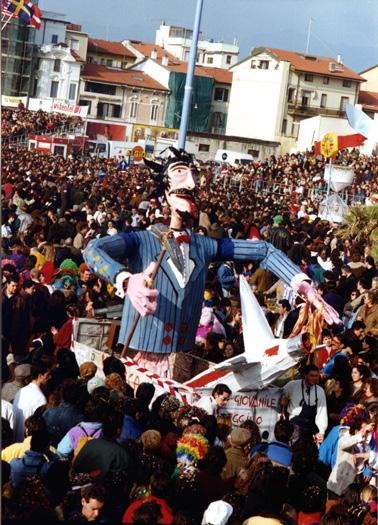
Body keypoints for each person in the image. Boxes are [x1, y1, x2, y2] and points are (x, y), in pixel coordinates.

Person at [83, 148, 339, 376]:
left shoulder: (205, 246)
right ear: (164, 190)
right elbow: (92, 250)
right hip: (139, 358)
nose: (192, 184)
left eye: (194, 176)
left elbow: (263, 250)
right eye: (181, 173)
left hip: (181, 361)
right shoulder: (140, 240)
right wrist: (126, 279)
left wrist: (304, 285)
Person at [281, 364, 328, 443]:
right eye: (311, 375)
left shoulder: (320, 391)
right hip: (293, 426)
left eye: (316, 376)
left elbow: (322, 412)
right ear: (305, 375)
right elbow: (279, 394)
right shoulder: (292, 385)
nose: (314, 378)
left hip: (310, 428)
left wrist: (321, 431)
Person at [12, 359, 53, 442]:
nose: (50, 377)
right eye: (48, 375)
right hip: (27, 443)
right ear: (40, 376)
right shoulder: (40, 399)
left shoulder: (21, 391)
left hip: (15, 441)